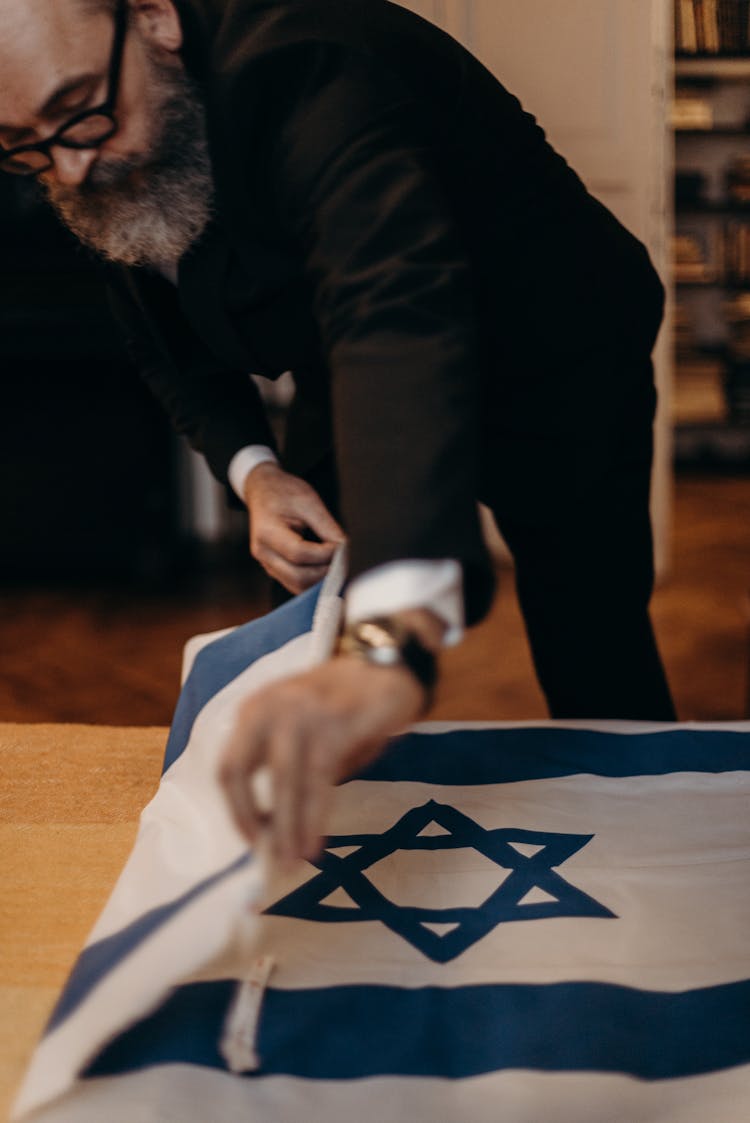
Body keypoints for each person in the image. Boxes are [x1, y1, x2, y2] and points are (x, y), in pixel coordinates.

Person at [0, 0, 676, 863]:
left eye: (83, 114)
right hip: (346, 350)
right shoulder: (85, 140)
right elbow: (158, 333)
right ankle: (313, 848)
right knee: (307, 598)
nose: (71, 167)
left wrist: (389, 644)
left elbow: (392, 312)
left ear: (156, 18)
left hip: (555, 346)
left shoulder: (309, 63)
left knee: (590, 624)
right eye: (24, 147)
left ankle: (655, 854)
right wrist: (254, 472)